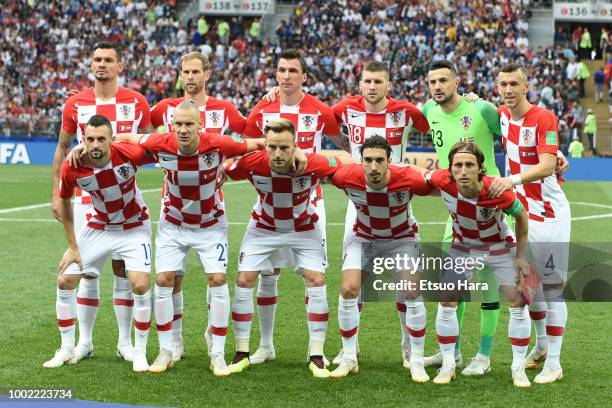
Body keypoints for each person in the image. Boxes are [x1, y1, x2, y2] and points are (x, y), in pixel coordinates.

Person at [112, 101, 265, 376]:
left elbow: (253, 145)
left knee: (217, 280)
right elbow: (129, 138)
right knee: (163, 280)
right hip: (173, 224)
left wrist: (290, 150)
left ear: (200, 126)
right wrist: (93, 145)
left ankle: (217, 353)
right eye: (178, 124)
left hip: (210, 224)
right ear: (172, 125)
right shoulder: (161, 142)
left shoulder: (218, 144)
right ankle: (166, 350)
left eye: (189, 124)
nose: (183, 130)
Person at [51, 41, 154, 364]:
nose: (102, 65)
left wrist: (123, 142)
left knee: (123, 270)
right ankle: (84, 342)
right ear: (90, 64)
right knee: (86, 270)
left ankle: (126, 343)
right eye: (97, 59)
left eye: (109, 60)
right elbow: (62, 147)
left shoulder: (136, 102)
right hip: (86, 199)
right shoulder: (75, 104)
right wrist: (56, 192)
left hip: (124, 199)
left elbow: (150, 142)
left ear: (120, 66)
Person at [223, 118, 350, 378]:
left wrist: (306, 154)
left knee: (316, 279)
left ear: (295, 146)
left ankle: (316, 355)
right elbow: (225, 166)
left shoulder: (313, 162)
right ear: (265, 146)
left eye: (284, 148)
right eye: (272, 147)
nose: (278, 154)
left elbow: (346, 160)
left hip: (304, 228)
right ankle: (242, 352)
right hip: (264, 228)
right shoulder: (252, 163)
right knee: (245, 279)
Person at [242, 49, 341, 366]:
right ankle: (266, 346)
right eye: (281, 70)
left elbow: (343, 144)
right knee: (266, 274)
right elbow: (247, 152)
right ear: (275, 74)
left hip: (309, 203)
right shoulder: (261, 110)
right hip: (270, 205)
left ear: (304, 77)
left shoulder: (320, 110)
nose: (286, 76)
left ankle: (316, 352)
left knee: (314, 277)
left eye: (293, 71)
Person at [330, 61, 429, 368]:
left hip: (398, 194)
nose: (371, 86)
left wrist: (466, 101)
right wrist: (345, 146)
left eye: (377, 82)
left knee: (406, 283)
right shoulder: (347, 107)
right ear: (360, 84)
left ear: (388, 86)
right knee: (352, 281)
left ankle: (408, 347)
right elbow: (323, 122)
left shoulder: (406, 111)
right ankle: (350, 348)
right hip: (360, 200)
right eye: (366, 81)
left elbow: (437, 123)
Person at [151, 51, 247, 363]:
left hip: (209, 209)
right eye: (185, 72)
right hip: (175, 209)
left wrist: (228, 169)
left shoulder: (224, 109)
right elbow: (140, 130)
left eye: (195, 72)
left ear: (207, 73)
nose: (190, 77)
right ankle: (173, 345)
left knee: (215, 277)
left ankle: (214, 337)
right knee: (170, 279)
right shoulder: (166, 108)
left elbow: (249, 137)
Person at [423, 141, 532, 387]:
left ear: (480, 168)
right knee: (447, 299)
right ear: (449, 169)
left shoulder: (497, 191)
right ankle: (449, 363)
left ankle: (518, 368)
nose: (463, 170)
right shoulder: (443, 182)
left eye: (469, 165)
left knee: (517, 300)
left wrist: (521, 256)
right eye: (458, 165)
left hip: (499, 247)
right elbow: (414, 176)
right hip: (463, 247)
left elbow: (522, 216)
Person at [421, 60, 505, 376]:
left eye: (444, 80)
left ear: (458, 82)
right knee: (453, 288)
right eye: (432, 81)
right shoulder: (428, 109)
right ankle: (452, 353)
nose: (438, 86)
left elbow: (513, 132)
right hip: (456, 213)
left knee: (488, 287)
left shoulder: (481, 109)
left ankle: (483, 357)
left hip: (490, 207)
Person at [490, 63, 571, 384]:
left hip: (549, 214)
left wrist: (512, 179)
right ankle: (540, 346)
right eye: (503, 84)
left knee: (551, 288)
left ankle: (554, 362)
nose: (508, 90)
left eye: (514, 84)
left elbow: (549, 164)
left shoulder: (543, 117)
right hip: (522, 214)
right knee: (526, 284)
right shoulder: (502, 114)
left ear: (527, 87)